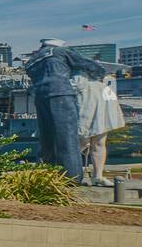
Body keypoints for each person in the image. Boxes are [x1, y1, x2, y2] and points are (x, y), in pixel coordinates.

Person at [23, 38, 107, 181]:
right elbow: (87, 64)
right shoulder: (60, 51)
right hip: (61, 94)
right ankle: (71, 177)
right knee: (67, 137)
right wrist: (101, 73)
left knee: (47, 138)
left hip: (40, 97)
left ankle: (46, 174)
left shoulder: (32, 60)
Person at [73, 71, 125, 187]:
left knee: (100, 142)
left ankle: (98, 176)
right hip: (84, 95)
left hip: (100, 94)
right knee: (81, 141)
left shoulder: (101, 80)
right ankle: (73, 175)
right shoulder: (77, 74)